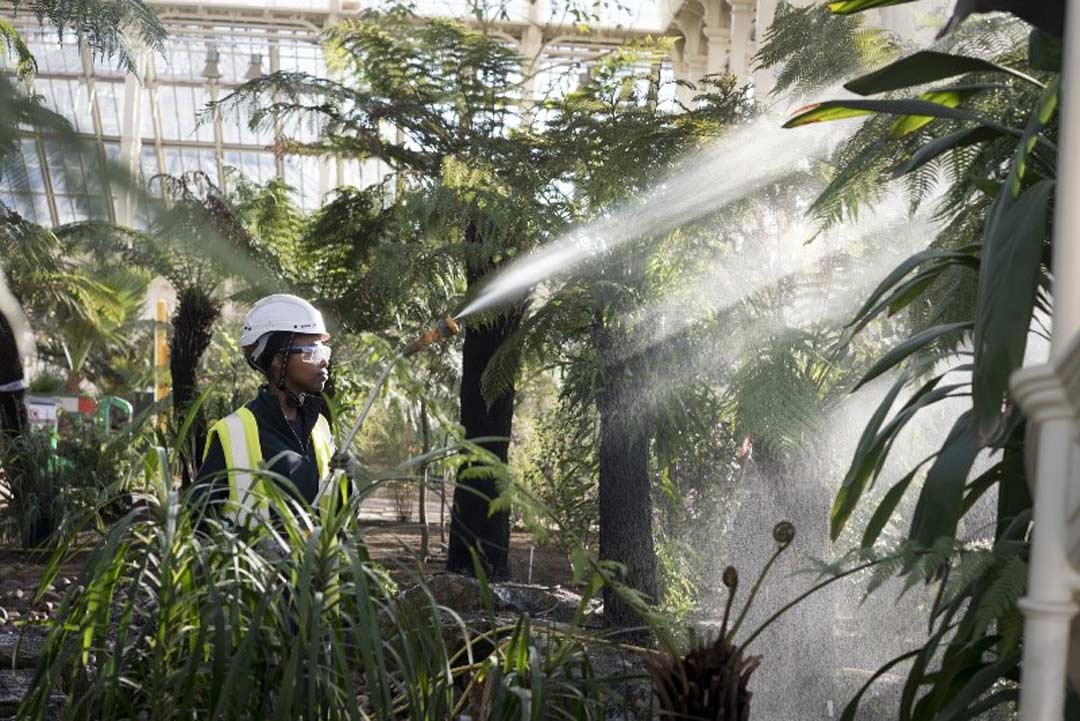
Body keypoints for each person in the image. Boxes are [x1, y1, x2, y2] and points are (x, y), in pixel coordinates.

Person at [195, 293, 355, 524]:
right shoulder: (233, 433)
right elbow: (199, 522)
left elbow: (342, 515)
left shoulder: (319, 426)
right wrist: (253, 547)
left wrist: (347, 481)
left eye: (324, 352)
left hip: (312, 561)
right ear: (278, 360)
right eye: (312, 352)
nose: (324, 361)